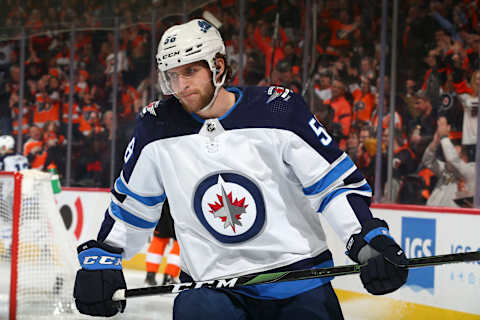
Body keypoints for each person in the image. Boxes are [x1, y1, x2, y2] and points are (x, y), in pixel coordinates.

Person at [73, 19, 408, 319]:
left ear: (218, 66)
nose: (181, 84)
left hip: (297, 281)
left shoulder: (278, 110)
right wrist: (104, 260)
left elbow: (332, 185)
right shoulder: (156, 127)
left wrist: (367, 238)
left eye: (190, 71)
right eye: (173, 75)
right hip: (210, 291)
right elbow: (133, 205)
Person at [421, 116, 475, 208]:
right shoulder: (446, 168)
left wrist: (444, 137)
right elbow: (427, 160)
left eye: (454, 144)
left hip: (452, 219)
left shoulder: (471, 170)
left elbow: (453, 159)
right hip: (432, 215)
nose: (449, 147)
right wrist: (435, 142)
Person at [144, 199, 181, 286]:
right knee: (179, 242)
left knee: (159, 239)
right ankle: (169, 275)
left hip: (162, 204)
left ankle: (150, 276)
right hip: (178, 205)